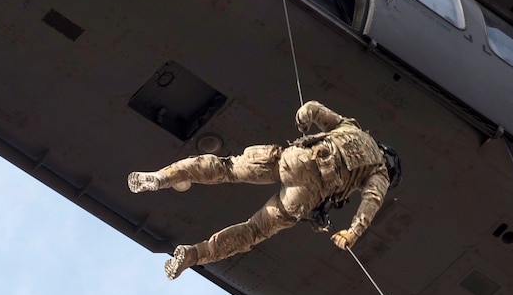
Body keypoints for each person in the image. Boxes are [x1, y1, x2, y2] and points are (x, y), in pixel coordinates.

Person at [128, 100, 393, 279]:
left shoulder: (351, 127)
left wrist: (303, 119)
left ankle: (163, 177)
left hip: (293, 159)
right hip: (305, 195)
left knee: (227, 168)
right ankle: (195, 253)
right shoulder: (379, 171)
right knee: (252, 231)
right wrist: (352, 234)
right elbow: (371, 201)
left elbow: (312, 109)